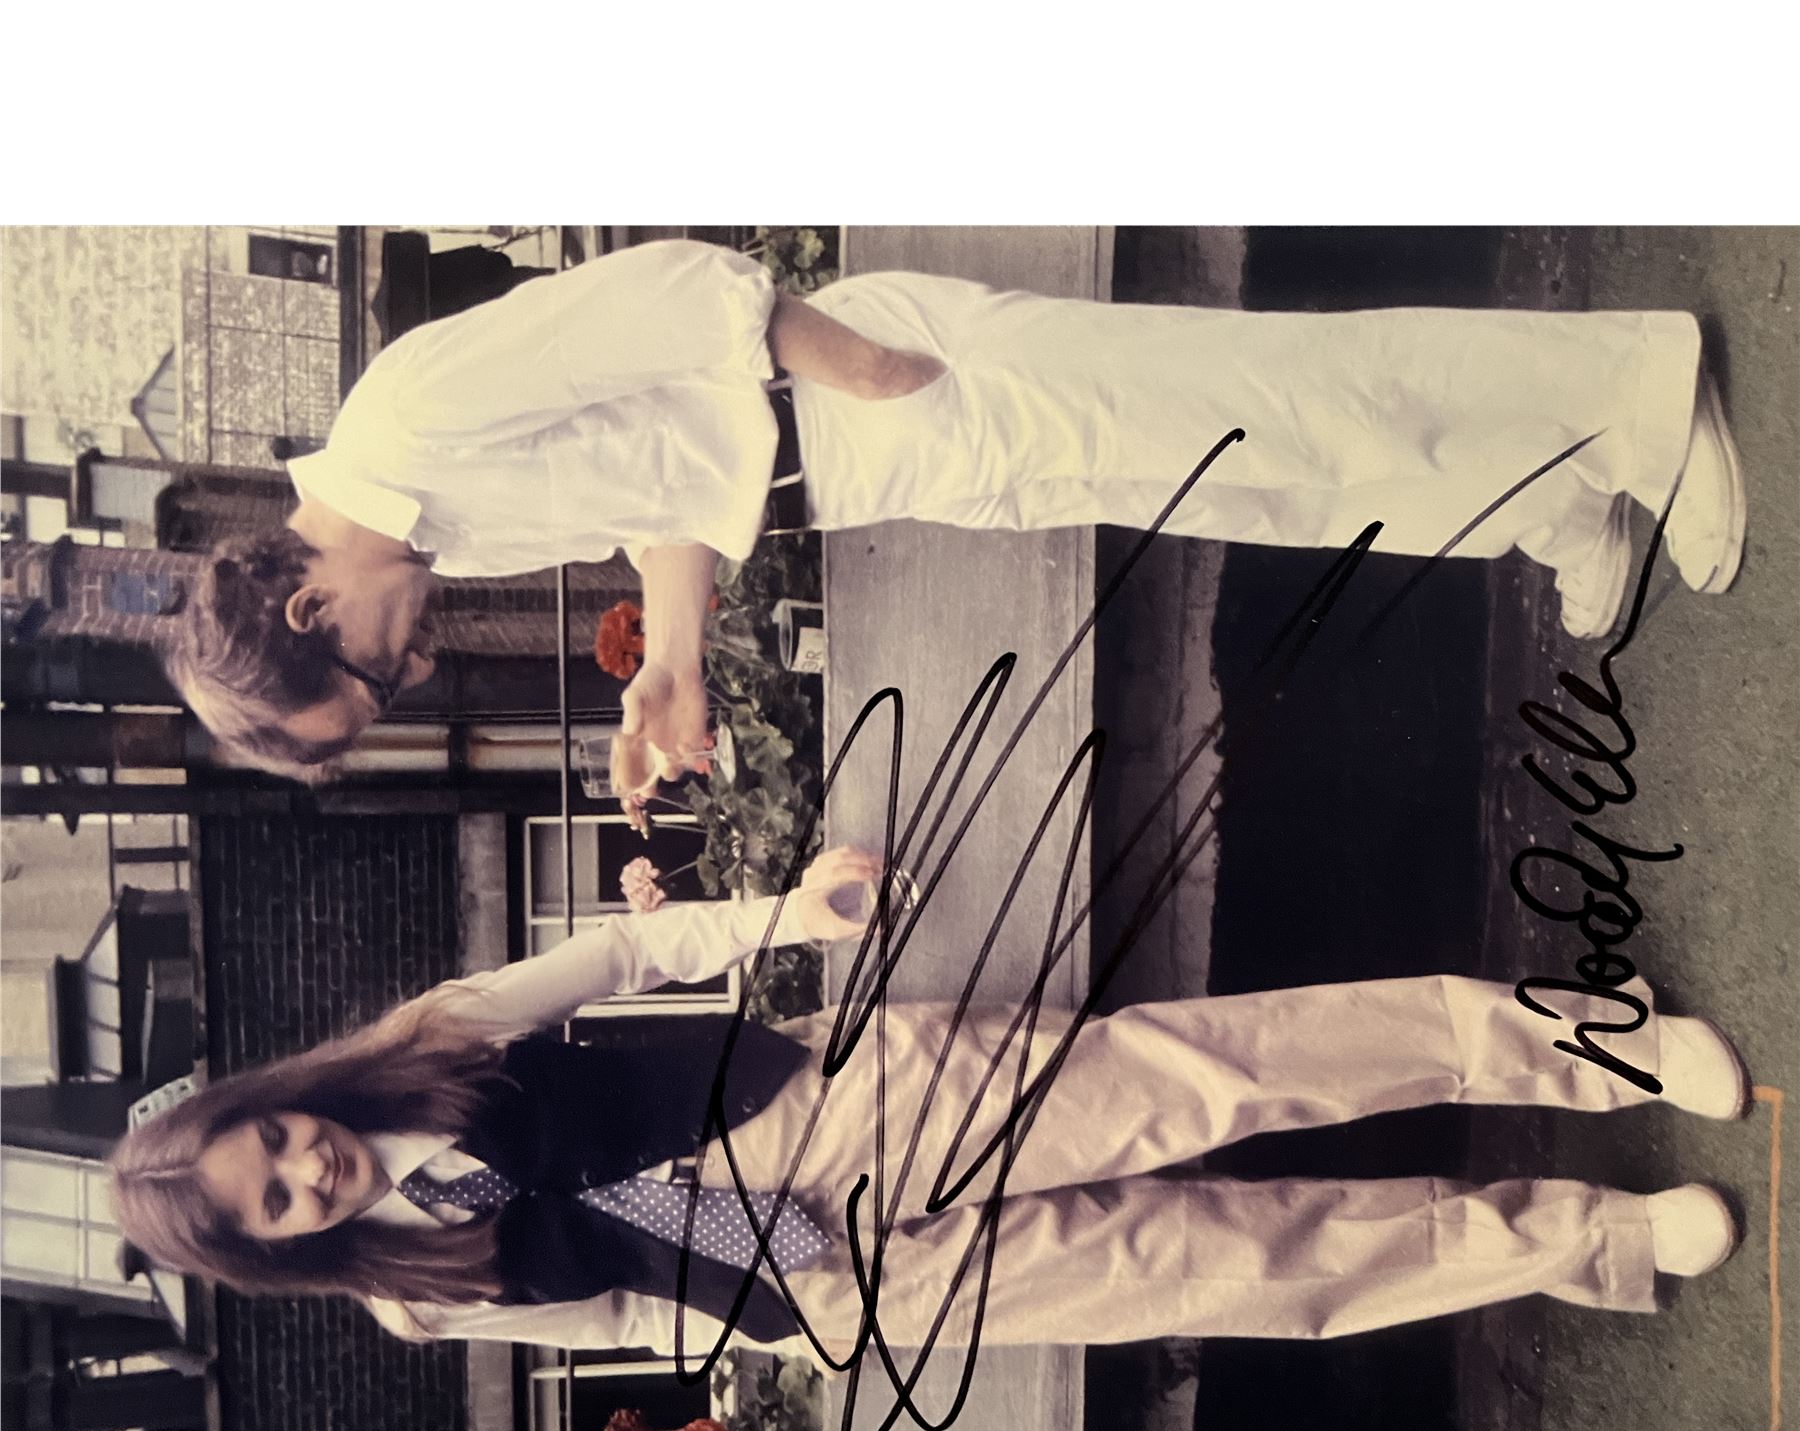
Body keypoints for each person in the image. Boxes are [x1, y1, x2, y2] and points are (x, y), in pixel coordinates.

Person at [164, 239, 1746, 790]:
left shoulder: (405, 423)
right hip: (881, 470)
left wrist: (864, 370)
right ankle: (1555, 502)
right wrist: (678, 667)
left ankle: (1636, 385)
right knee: (1256, 484)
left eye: (375, 674)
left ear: (307, 607)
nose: (414, 667)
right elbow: (665, 484)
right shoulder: (428, 528)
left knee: (1291, 399)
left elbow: (666, 298)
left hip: (886, 395)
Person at [111, 847, 1754, 1369]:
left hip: (829, 1109)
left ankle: (1597, 1050)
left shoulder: (436, 1039)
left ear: (280, 1098)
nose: (308, 1172)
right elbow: (610, 1313)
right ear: (278, 1252)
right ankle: (1592, 1242)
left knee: (1220, 1074)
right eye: (278, 1205)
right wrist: (774, 1339)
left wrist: (790, 915)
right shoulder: (415, 1302)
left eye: (278, 1141)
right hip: (832, 1289)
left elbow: (621, 951)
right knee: (1243, 1270)